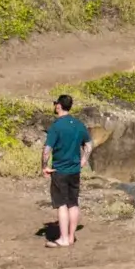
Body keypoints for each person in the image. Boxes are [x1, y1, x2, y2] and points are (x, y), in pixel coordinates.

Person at [41, 93, 92, 246]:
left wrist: (44, 166)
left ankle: (63, 239)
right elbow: (89, 145)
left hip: (60, 171)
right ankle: (71, 237)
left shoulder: (56, 126)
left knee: (62, 205)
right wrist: (83, 160)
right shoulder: (78, 124)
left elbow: (47, 149)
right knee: (73, 203)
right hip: (74, 171)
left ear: (59, 106)